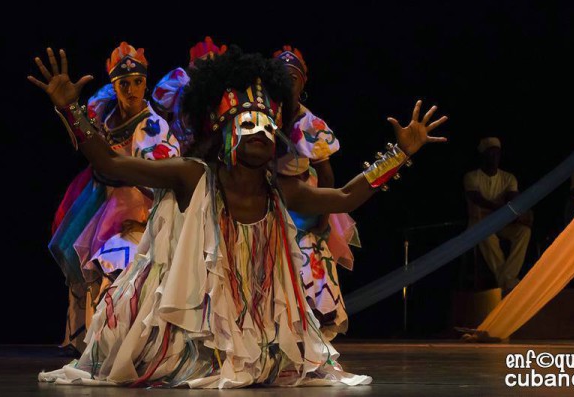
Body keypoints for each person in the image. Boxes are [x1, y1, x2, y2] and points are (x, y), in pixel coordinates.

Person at [29, 46, 446, 388]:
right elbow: (111, 164)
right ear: (226, 132)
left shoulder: (281, 186)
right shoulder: (191, 175)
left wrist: (400, 154)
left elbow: (345, 197)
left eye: (268, 127)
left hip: (251, 325)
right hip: (189, 324)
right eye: (248, 126)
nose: (261, 134)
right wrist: (72, 111)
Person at [47, 42, 181, 352]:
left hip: (139, 207)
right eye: (124, 83)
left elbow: (156, 177)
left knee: (119, 269)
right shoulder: (104, 112)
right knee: (90, 273)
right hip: (102, 200)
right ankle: (92, 347)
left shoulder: (152, 126)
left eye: (137, 82)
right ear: (114, 85)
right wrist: (68, 110)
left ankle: (123, 346)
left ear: (146, 83)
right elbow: (83, 142)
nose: (132, 90)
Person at [273, 45, 360, 340]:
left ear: (303, 83)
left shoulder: (310, 124)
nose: (287, 85)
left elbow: (326, 174)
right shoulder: (264, 117)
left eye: (292, 78)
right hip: (270, 204)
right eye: (281, 79)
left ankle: (317, 339)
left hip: (303, 209)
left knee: (310, 264)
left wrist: (324, 215)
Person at [463, 137, 531, 291]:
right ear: (483, 156)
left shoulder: (508, 178)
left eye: (497, 154)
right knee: (486, 233)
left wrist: (519, 214)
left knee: (524, 231)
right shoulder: (471, 177)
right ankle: (508, 281)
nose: (494, 158)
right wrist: (504, 210)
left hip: (501, 223)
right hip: (479, 223)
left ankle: (506, 279)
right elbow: (477, 199)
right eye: (490, 154)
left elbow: (513, 199)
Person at [151, 36, 227, 153]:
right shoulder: (180, 82)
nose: (208, 70)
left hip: (212, 152)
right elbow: (159, 107)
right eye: (203, 64)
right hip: (179, 150)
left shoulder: (223, 93)